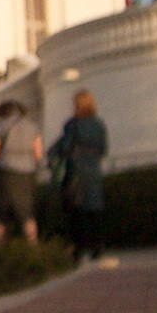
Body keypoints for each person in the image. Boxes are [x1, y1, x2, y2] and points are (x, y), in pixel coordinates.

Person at [50, 89, 110, 264]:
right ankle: (98, 247)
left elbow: (66, 147)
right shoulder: (99, 124)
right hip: (94, 170)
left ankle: (79, 249)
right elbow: (104, 149)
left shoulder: (73, 124)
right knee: (95, 210)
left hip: (76, 171)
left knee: (76, 211)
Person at [0, 99, 42, 244]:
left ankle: (0, 248)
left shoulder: (0, 126)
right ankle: (33, 246)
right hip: (27, 173)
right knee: (27, 214)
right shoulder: (32, 127)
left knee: (0, 215)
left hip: (5, 173)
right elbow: (38, 154)